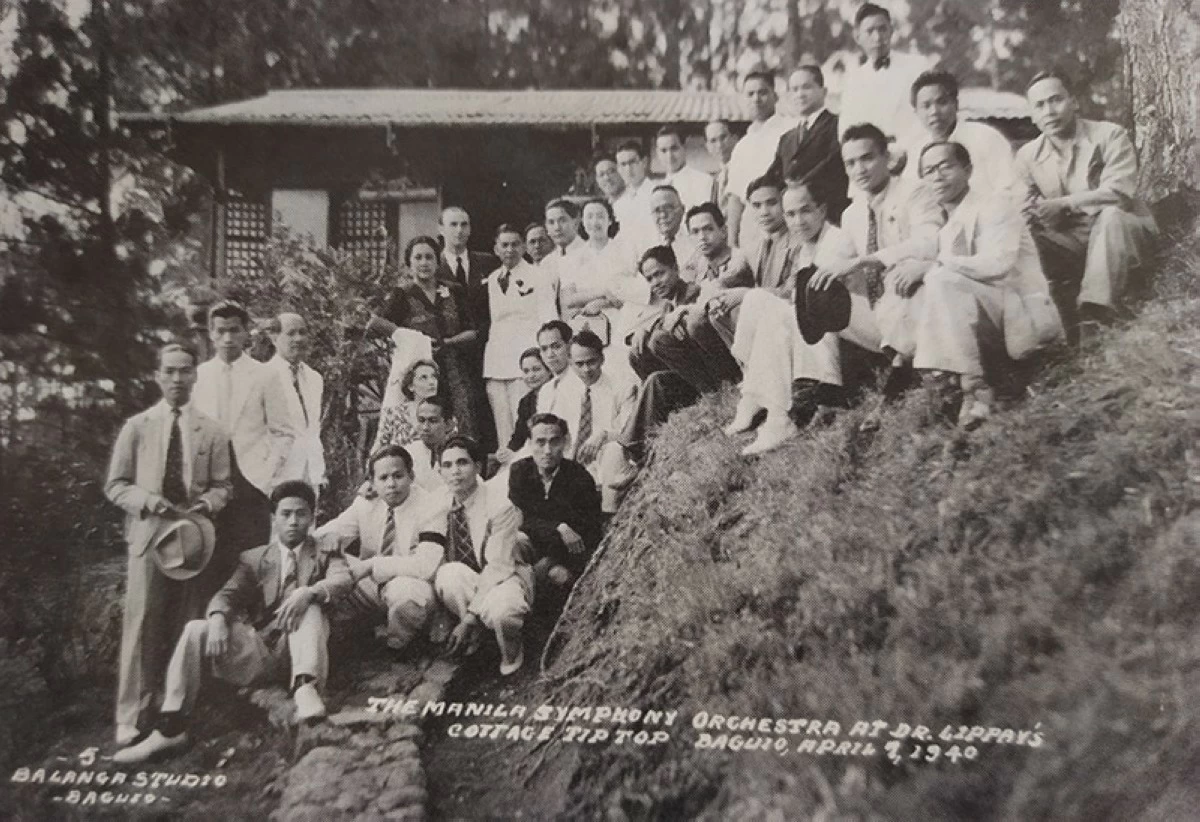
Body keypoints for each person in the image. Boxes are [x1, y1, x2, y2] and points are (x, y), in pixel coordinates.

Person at [111, 481, 351, 764]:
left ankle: (305, 686)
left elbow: (342, 579)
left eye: (301, 514)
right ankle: (171, 728)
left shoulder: (325, 551)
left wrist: (309, 592)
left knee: (309, 608)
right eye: (285, 514)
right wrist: (217, 618)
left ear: (312, 517)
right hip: (261, 651)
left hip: (303, 648)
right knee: (195, 629)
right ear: (274, 518)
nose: (293, 521)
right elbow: (227, 595)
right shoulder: (255, 558)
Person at [106, 342, 233, 746]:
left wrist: (206, 503)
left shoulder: (212, 430)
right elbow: (116, 485)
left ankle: (175, 707)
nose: (177, 379)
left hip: (193, 539)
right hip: (149, 536)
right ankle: (131, 713)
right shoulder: (137, 427)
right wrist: (147, 501)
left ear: (195, 376)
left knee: (185, 621)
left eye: (185, 371)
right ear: (158, 376)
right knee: (143, 622)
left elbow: (223, 485)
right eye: (170, 371)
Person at [913, 141, 1062, 425]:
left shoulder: (995, 206)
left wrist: (939, 264)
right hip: (992, 314)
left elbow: (998, 264)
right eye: (929, 171)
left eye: (945, 166)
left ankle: (976, 390)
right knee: (932, 281)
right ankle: (955, 383)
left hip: (1024, 312)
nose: (937, 176)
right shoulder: (949, 228)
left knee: (940, 278)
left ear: (968, 170)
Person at [1014, 69, 1158, 335]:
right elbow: (1023, 204)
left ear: (1074, 102)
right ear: (1032, 115)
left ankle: (1095, 312)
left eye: (1056, 100)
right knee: (1021, 236)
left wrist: (1063, 204)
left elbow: (1119, 192)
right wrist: (1033, 212)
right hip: (1073, 240)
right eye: (1040, 105)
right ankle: (1037, 330)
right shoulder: (1027, 156)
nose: (1049, 111)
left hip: (1124, 232)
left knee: (1111, 216)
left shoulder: (1109, 135)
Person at [726, 182, 859, 455]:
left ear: (822, 210)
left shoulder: (836, 242)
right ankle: (752, 394)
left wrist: (781, 311)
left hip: (848, 337)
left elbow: (815, 305)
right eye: (791, 214)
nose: (798, 221)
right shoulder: (808, 246)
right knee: (755, 299)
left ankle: (778, 419)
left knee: (776, 316)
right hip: (822, 329)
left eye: (805, 211)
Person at [810, 124, 944, 380]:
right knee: (817, 296)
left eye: (867, 158)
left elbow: (929, 243)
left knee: (904, 272)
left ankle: (906, 363)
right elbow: (837, 259)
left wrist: (866, 261)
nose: (859, 170)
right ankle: (828, 385)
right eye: (850, 163)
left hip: (913, 302)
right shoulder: (852, 214)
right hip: (878, 311)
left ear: (887, 157)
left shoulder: (915, 192)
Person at [317, 446, 446, 652]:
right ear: (372, 482)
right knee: (326, 557)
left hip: (413, 584)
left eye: (398, 476)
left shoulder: (430, 506)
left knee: (406, 593)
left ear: (411, 476)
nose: (391, 484)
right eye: (383, 478)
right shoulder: (367, 502)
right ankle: (339, 634)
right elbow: (325, 534)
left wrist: (372, 565)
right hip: (371, 585)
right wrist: (331, 535)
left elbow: (426, 566)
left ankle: (399, 647)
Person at [371, 235, 489, 446]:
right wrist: (411, 338)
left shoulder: (454, 290)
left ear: (437, 261)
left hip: (455, 371)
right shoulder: (402, 294)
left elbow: (472, 331)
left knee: (462, 423)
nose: (424, 263)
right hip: (420, 375)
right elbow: (376, 322)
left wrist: (448, 342)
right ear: (409, 263)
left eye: (429, 257)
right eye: (418, 258)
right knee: (422, 425)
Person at [434, 436, 532, 676]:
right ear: (440, 472)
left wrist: (469, 617)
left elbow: (499, 566)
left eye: (462, 463)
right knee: (449, 574)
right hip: (468, 580)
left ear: (478, 467)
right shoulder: (437, 500)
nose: (455, 472)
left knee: (504, 612)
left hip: (504, 576)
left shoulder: (499, 504)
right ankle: (475, 641)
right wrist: (368, 491)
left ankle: (510, 655)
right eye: (447, 465)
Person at [192, 300, 269, 579]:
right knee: (211, 557)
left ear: (246, 332)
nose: (227, 338)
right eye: (221, 331)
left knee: (252, 557)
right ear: (211, 333)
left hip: (252, 479)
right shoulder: (198, 376)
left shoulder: (264, 374)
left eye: (234, 330)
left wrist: (267, 473)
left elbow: (284, 431)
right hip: (210, 482)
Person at [508, 413, 603, 590]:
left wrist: (550, 552)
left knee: (559, 576)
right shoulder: (520, 472)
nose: (547, 450)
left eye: (554, 442)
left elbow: (585, 532)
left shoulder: (579, 477)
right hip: (533, 547)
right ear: (530, 443)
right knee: (515, 542)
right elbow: (522, 520)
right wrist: (559, 527)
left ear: (565, 443)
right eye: (540, 442)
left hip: (564, 555)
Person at [483, 224, 554, 448]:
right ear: (496, 249)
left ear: (523, 247)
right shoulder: (493, 279)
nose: (510, 250)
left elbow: (549, 320)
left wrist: (542, 358)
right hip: (496, 363)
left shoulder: (539, 276)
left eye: (515, 244)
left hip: (525, 362)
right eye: (504, 245)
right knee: (503, 429)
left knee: (524, 424)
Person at [899, 70, 1017, 203]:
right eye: (926, 106)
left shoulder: (985, 137)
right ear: (916, 112)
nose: (934, 112)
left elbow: (1009, 190)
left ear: (956, 104)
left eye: (942, 102)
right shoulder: (917, 150)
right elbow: (911, 197)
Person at [564, 197, 646, 384]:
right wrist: (602, 292)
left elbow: (636, 291)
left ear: (610, 220)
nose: (595, 222)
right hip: (587, 325)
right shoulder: (572, 258)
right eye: (589, 216)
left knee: (622, 377)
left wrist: (604, 302)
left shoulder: (627, 251)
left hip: (620, 322)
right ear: (582, 222)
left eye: (600, 216)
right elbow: (569, 299)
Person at [837, 2, 934, 144]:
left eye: (882, 29)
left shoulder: (917, 66)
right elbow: (846, 128)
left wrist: (903, 147)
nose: (877, 37)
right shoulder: (853, 80)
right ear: (858, 37)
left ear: (891, 31)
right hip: (872, 154)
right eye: (870, 31)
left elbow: (930, 114)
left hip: (914, 148)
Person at [252, 312, 326, 493]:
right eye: (291, 333)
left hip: (310, 474)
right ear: (274, 337)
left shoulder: (315, 378)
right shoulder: (262, 377)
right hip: (277, 476)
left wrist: (319, 471)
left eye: (302, 332)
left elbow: (312, 429)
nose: (298, 339)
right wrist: (265, 472)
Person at [767, 65, 850, 223]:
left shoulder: (837, 125)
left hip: (831, 215)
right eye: (794, 89)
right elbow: (773, 177)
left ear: (823, 91)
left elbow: (833, 163)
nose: (800, 94)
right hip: (797, 221)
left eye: (806, 87)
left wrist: (796, 188)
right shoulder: (786, 139)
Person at [725, 69, 797, 248]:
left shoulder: (791, 130)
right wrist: (732, 241)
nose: (756, 99)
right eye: (750, 94)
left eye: (762, 92)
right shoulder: (742, 145)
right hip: (751, 226)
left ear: (775, 96)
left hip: (785, 220)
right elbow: (735, 198)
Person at [551, 330, 635, 477]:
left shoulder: (623, 389)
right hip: (570, 461)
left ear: (602, 358)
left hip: (606, 460)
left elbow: (629, 433)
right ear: (570, 362)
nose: (586, 369)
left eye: (591, 362)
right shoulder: (564, 390)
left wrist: (603, 435)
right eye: (579, 364)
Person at [373, 358, 443, 452]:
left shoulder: (444, 414)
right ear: (411, 386)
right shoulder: (394, 414)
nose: (431, 382)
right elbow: (378, 448)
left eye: (434, 377)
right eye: (424, 377)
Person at [497, 347, 552, 464]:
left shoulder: (558, 394)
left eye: (536, 369)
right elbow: (519, 436)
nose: (531, 375)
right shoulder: (526, 402)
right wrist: (508, 451)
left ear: (549, 370)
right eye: (526, 371)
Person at [655, 125, 714, 213]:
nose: (669, 156)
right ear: (657, 153)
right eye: (663, 150)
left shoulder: (703, 181)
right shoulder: (657, 188)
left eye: (674, 148)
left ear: (684, 147)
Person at [407, 395, 454, 495]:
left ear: (448, 425)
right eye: (421, 420)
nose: (425, 427)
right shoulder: (407, 454)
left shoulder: (458, 453)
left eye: (433, 421)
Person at [613, 140, 657, 248]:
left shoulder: (657, 194)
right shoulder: (620, 203)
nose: (628, 169)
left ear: (644, 162)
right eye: (623, 164)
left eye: (632, 162)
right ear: (618, 168)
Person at [647, 185, 697, 269]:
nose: (663, 215)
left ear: (682, 210)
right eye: (657, 210)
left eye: (668, 208)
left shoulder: (695, 243)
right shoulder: (646, 246)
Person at [535, 320, 575, 414]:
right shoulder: (545, 390)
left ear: (570, 346)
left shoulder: (584, 382)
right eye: (544, 349)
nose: (550, 354)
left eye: (556, 346)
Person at [705, 119, 740, 216]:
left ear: (735, 138)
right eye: (713, 141)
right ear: (708, 147)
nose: (719, 145)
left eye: (723, 137)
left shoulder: (744, 170)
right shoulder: (715, 179)